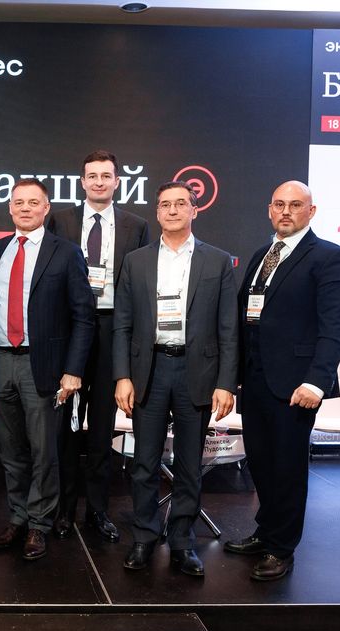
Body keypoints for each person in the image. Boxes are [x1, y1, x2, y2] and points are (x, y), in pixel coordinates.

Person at [226, 180, 340, 581]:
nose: (286, 211)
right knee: (261, 463)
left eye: (295, 205)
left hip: (297, 385)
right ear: (269, 209)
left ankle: (282, 548)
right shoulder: (262, 254)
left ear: (311, 212)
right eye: (279, 204)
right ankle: (266, 531)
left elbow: (335, 327)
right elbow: (247, 318)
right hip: (256, 380)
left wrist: (317, 381)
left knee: (287, 467)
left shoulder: (330, 257)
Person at [112, 180, 238, 577]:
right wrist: (122, 376)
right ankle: (145, 537)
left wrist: (226, 382)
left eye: (180, 203)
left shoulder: (217, 261)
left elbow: (228, 327)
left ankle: (182, 541)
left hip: (196, 372)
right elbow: (122, 324)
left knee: (188, 464)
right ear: (157, 211)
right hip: (148, 371)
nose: (172, 210)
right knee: (144, 463)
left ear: (194, 210)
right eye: (165, 204)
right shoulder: (136, 261)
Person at [0, 178, 94, 562]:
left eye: (34, 202)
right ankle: (17, 516)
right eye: (19, 202)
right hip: (0, 359)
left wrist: (73, 370)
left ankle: (39, 524)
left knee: (44, 451)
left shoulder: (66, 253)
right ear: (10, 208)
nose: (25, 208)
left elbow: (83, 317)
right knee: (10, 449)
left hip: (41, 364)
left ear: (46, 208)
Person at [48, 149, 150, 542]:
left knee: (102, 428)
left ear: (117, 182)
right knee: (65, 428)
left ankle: (97, 509)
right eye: (92, 176)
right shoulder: (60, 221)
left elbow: (141, 285)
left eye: (106, 176)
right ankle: (63, 509)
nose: (99, 182)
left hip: (112, 329)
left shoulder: (136, 226)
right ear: (82, 181)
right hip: (70, 329)